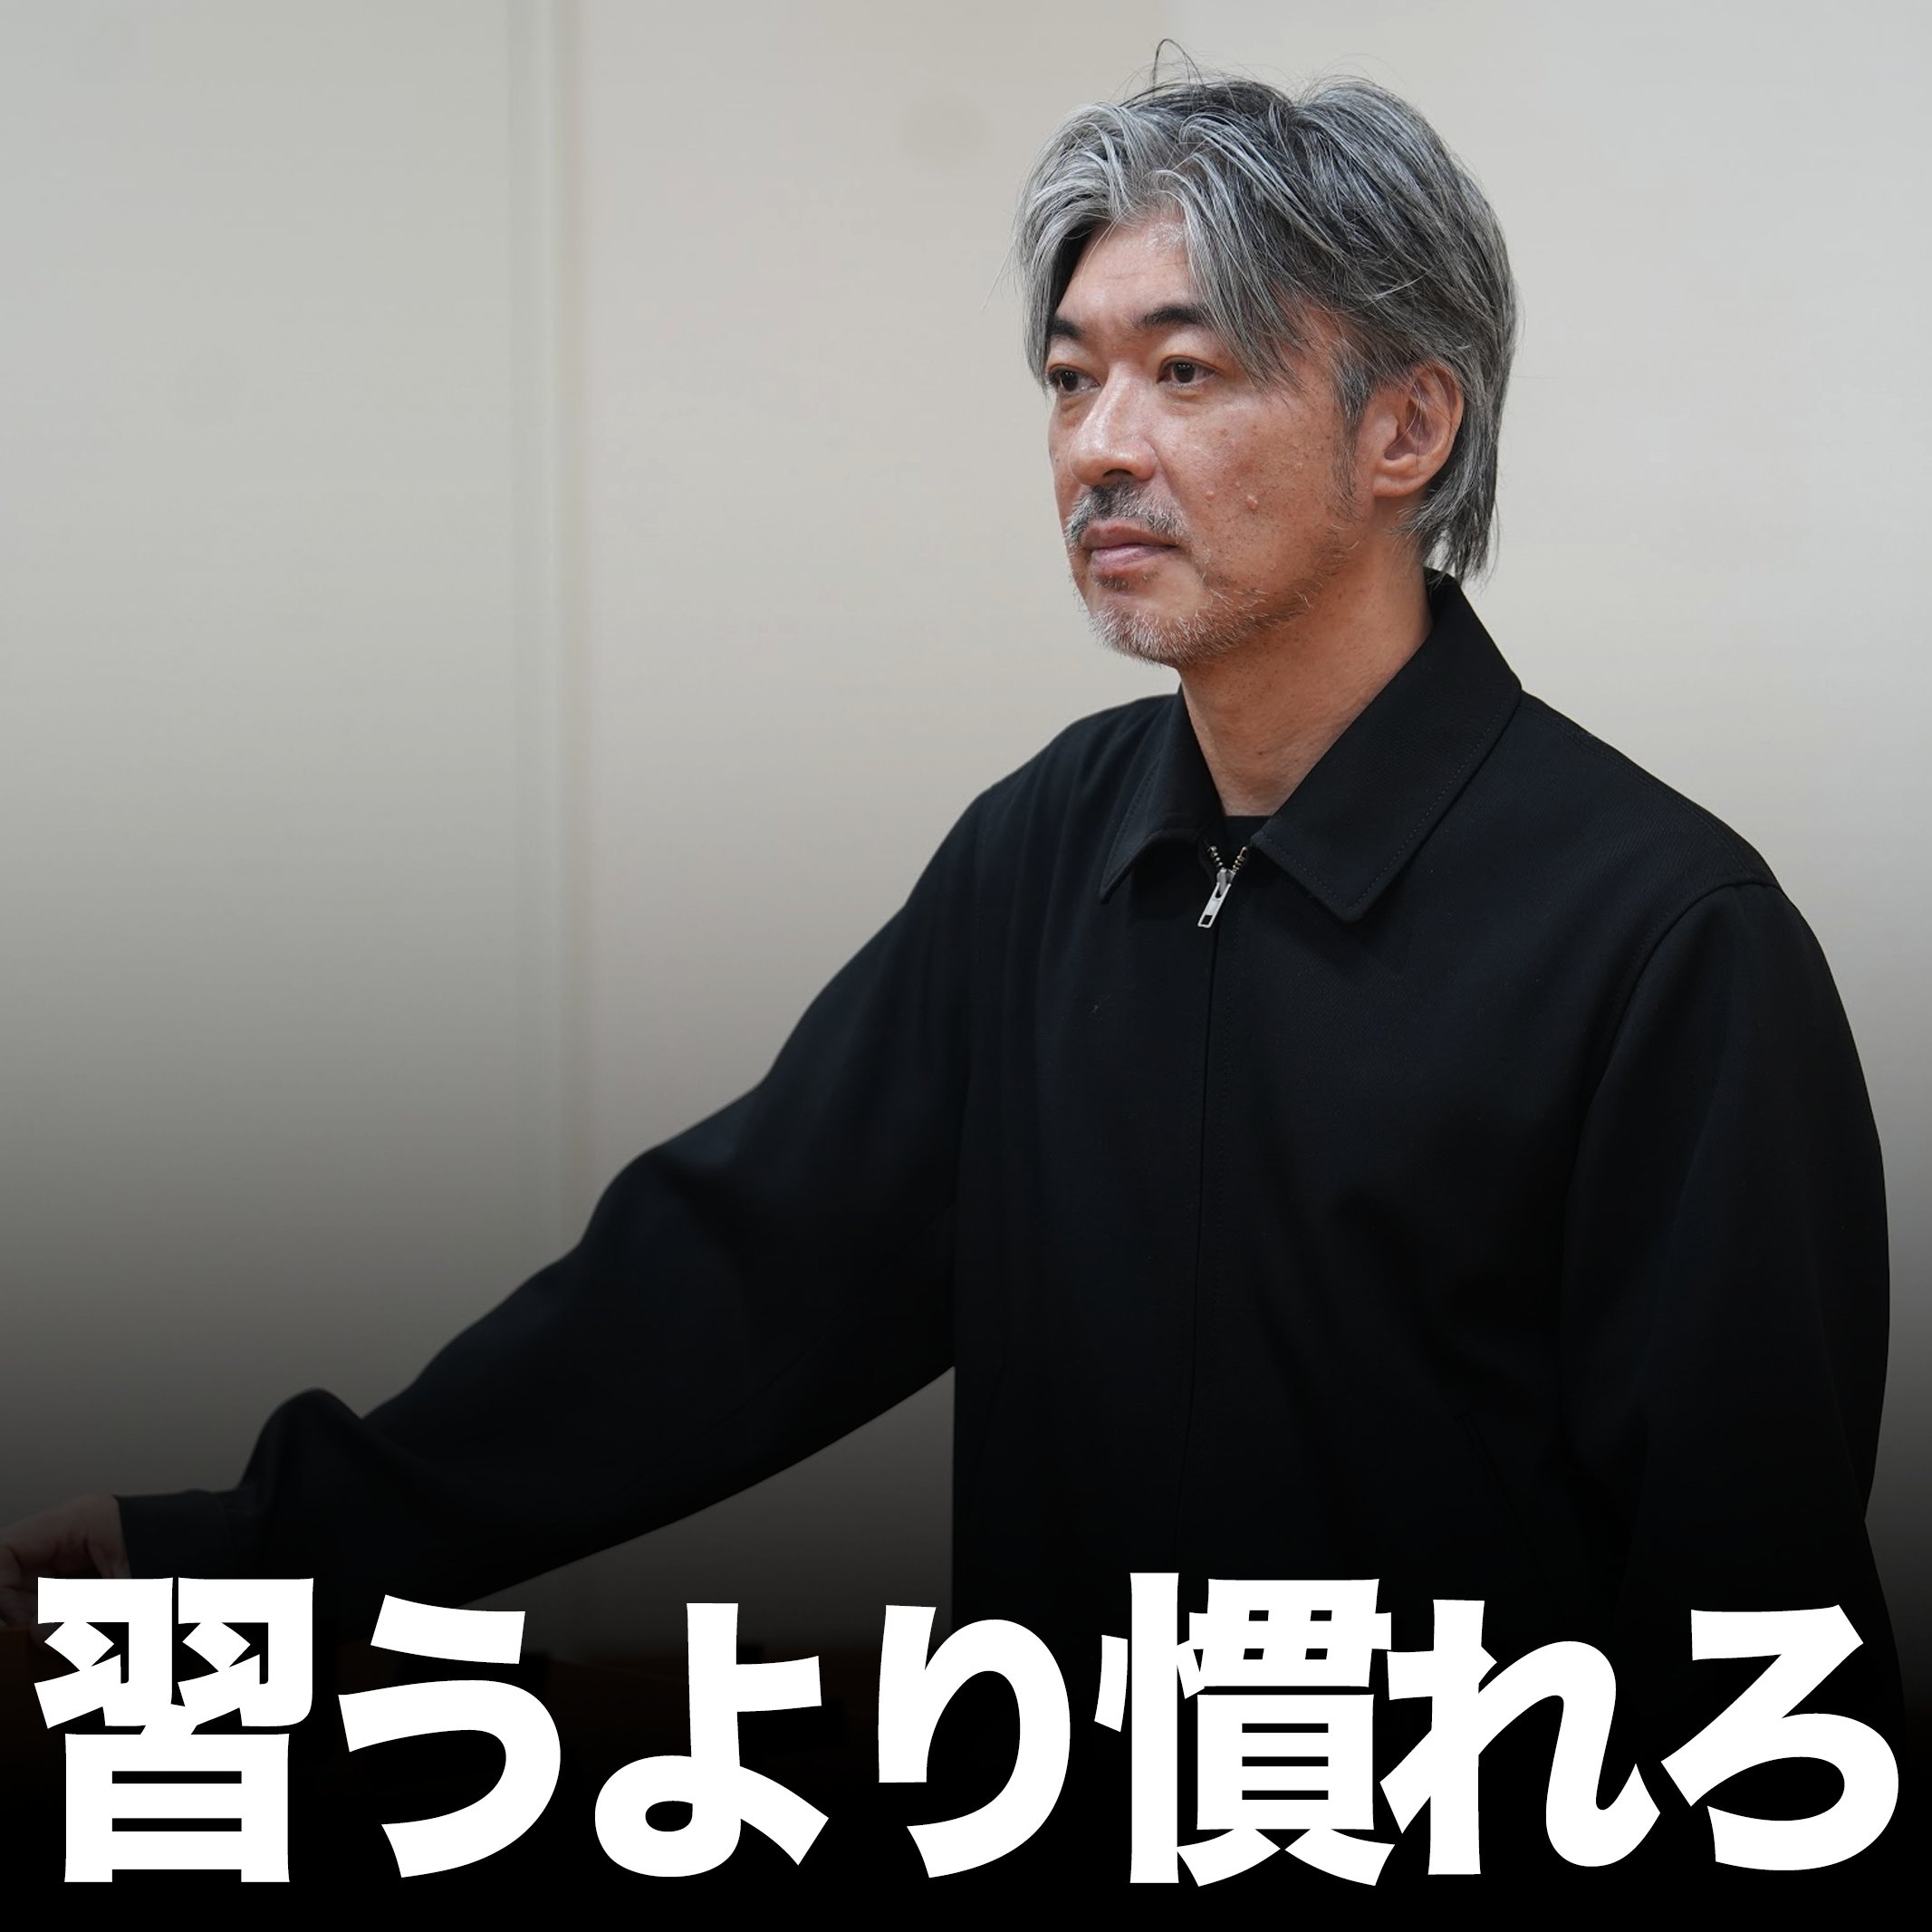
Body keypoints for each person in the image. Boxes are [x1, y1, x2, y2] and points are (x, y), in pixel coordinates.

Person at [1, 72, 1898, 1887]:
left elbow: (1752, 1644)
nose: (1099, 445)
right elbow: (712, 1297)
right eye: (1071, 377)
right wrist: (229, 1557)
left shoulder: (1658, 939)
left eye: (1184, 370)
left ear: (1402, 430)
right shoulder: (1048, 851)